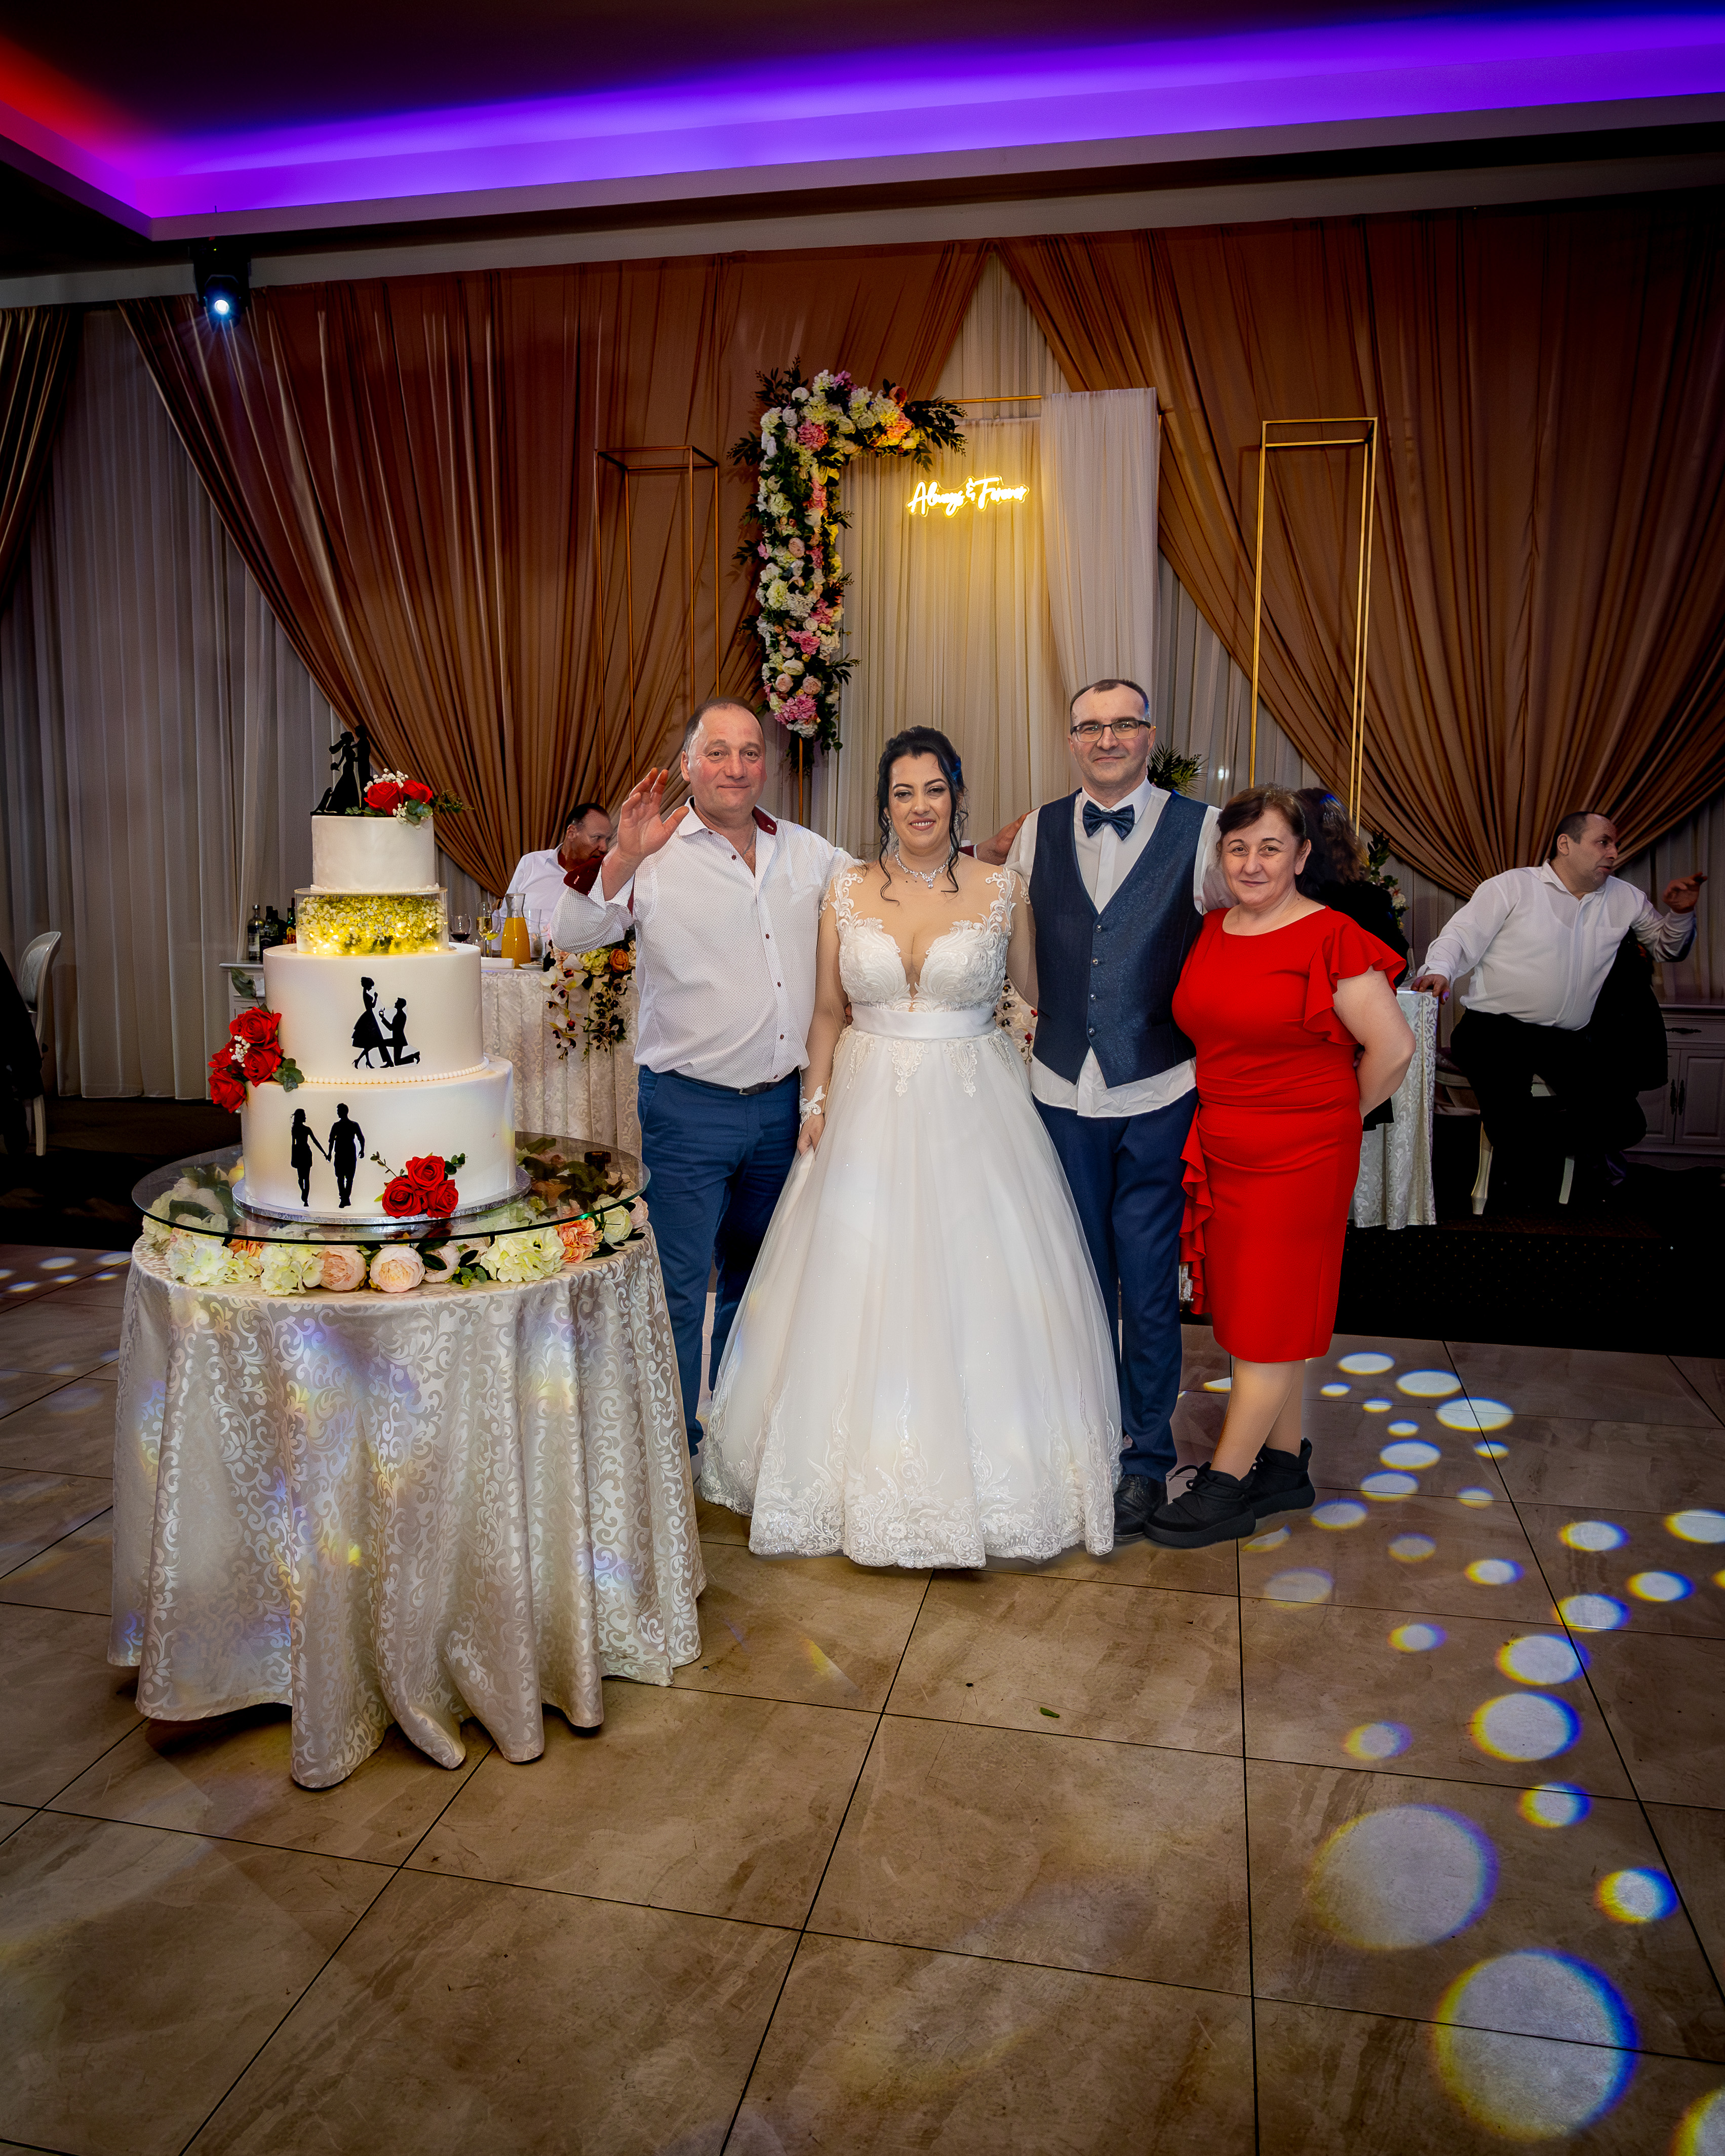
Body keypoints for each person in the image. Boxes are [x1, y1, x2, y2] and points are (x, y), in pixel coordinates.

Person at [549, 697, 1024, 1450]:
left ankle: (738, 1440)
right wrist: (623, 859)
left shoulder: (808, 853)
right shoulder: (655, 855)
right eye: (717, 752)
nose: (735, 767)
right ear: (687, 765)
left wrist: (984, 855)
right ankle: (673, 1447)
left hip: (782, 1109)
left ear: (764, 764)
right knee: (679, 1289)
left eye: (749, 752)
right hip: (688, 1106)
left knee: (763, 1286)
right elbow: (572, 935)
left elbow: (900, 878)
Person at [698, 729, 1121, 1566]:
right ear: (884, 803)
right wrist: (814, 1101)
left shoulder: (1003, 889)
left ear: (956, 795)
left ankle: (998, 1475)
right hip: (864, 1106)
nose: (919, 806)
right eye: (903, 792)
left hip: (975, 1106)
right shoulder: (846, 887)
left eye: (933, 789)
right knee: (853, 1280)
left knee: (975, 1280)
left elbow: (1041, 991)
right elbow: (827, 1011)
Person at [1148, 786, 1414, 1548]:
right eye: (1238, 848)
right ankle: (1283, 1465)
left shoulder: (1331, 935)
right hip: (1225, 1141)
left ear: (1299, 856)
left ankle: (1226, 1484)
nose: (1252, 862)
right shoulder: (1212, 929)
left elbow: (1394, 1048)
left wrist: (1332, 1118)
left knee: (1269, 1320)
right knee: (1258, 1314)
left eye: (1270, 848)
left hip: (1301, 1152)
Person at [1001, 678, 1231, 1540]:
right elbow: (1000, 936)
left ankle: (1144, 1458)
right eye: (1090, 727)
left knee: (1147, 1279)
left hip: (1160, 1087)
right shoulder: (1034, 829)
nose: (1106, 739)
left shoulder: (1203, 830)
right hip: (1059, 1087)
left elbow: (1245, 933)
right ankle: (1084, 1445)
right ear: (1071, 740)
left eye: (1123, 724)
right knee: (1075, 1278)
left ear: (1148, 733)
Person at [1413, 811, 1703, 1203]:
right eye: (1603, 842)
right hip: (1493, 1030)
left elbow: (1668, 948)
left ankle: (1520, 1146)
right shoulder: (1513, 886)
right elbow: (1460, 937)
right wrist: (1439, 970)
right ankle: (1520, 1148)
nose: (1613, 853)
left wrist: (1681, 913)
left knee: (1627, 1123)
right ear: (1565, 844)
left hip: (1565, 1038)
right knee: (1512, 1121)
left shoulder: (1626, 897)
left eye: (1616, 845)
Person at [1294, 787, 1408, 1132]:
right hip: (1346, 1046)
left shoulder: (1290, 898)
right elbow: (1395, 964)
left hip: (1312, 1049)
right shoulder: (1367, 899)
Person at [506, 802, 613, 928]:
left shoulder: (604, 878)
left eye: (607, 840)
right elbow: (505, 916)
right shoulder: (532, 862)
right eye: (597, 837)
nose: (604, 847)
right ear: (572, 833)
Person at [327, 1104, 365, 1210]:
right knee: (343, 1177)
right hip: (342, 1153)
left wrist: (362, 1150)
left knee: (347, 1178)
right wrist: (329, 1153)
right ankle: (345, 1198)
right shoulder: (341, 1125)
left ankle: (345, 1198)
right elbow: (331, 1141)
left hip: (348, 1153)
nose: (338, 1113)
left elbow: (361, 1138)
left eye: (339, 1111)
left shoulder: (350, 1125)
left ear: (344, 1112)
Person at [289, 1108, 328, 1207]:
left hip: (304, 1154)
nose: (306, 1117)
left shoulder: (305, 1129)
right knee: (302, 1179)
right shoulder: (298, 1129)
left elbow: (315, 1141)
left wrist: (324, 1153)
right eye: (304, 1115)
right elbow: (293, 1144)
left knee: (305, 1178)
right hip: (302, 1153)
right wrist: (293, 1158)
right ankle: (304, 1193)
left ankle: (306, 1199)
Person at [351, 978, 387, 1069]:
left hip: (369, 1017)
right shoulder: (366, 994)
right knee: (369, 1043)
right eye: (371, 986)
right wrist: (376, 998)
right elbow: (372, 1006)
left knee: (368, 1044)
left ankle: (364, 1061)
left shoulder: (365, 994)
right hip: (369, 1018)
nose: (371, 988)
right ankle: (363, 1061)